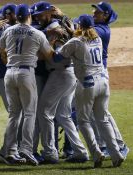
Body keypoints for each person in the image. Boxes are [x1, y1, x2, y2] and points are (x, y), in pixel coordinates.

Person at [55, 14, 124, 168]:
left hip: (87, 85)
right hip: (103, 83)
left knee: (83, 121)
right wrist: (73, 34)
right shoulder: (97, 39)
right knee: (103, 120)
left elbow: (57, 57)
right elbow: (82, 41)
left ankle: (96, 153)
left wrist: (58, 42)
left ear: (78, 26)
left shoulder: (75, 42)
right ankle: (116, 154)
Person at [0, 4, 55, 166]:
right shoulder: (37, 33)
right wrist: (52, 40)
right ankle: (27, 149)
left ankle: (9, 151)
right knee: (30, 113)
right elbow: (50, 55)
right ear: (29, 16)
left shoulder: (7, 31)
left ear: (17, 17)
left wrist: (10, 60)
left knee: (13, 114)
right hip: (26, 74)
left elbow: (0, 50)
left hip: (9, 73)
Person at [32, 1, 88, 164]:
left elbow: (56, 56)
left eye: (41, 14)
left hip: (61, 74)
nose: (38, 18)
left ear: (50, 13)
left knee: (44, 112)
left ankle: (50, 153)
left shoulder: (54, 28)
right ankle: (80, 151)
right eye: (36, 16)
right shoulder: (59, 25)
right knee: (63, 115)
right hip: (68, 74)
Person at [91, 1, 129, 159]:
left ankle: (120, 145)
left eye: (98, 12)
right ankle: (106, 145)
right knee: (96, 113)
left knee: (102, 112)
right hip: (94, 75)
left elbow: (83, 32)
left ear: (106, 15)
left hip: (100, 74)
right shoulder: (96, 26)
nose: (94, 14)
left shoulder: (102, 31)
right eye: (94, 11)